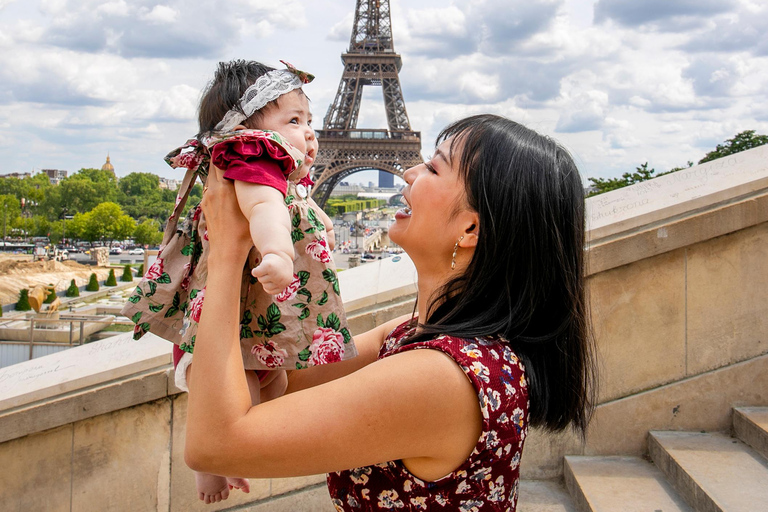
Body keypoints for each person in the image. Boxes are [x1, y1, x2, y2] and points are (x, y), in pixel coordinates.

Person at [185, 114, 598, 511]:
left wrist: (226, 251)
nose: (410, 173)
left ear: (470, 230)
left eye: (434, 169)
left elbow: (215, 446)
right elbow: (274, 379)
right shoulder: (414, 335)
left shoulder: (441, 377)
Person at [121, 60, 356, 504]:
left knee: (273, 386)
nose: (309, 132)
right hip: (235, 314)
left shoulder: (270, 166)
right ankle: (209, 467)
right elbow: (266, 208)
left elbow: (291, 202)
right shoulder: (252, 159)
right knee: (236, 393)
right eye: (293, 120)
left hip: (248, 315)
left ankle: (234, 455)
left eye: (309, 120)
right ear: (244, 128)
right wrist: (279, 253)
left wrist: (317, 222)